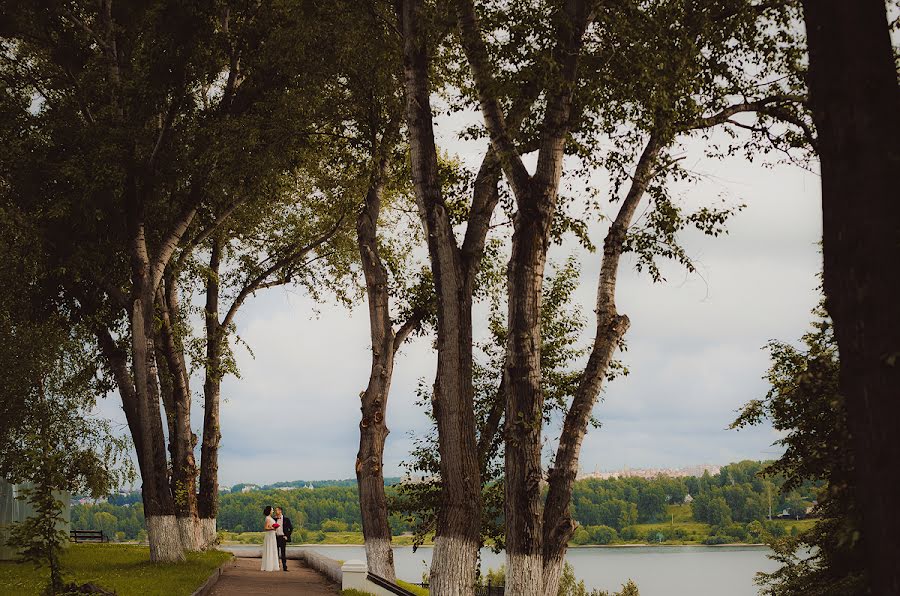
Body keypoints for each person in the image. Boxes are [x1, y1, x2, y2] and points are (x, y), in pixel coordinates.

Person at [273, 507, 294, 571]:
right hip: (275, 537)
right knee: (276, 552)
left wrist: (287, 536)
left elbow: (291, 528)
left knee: (283, 552)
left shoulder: (286, 519)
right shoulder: (274, 519)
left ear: (280, 511)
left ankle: (284, 566)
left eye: (276, 510)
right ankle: (277, 566)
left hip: (283, 537)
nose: (275, 511)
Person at [261, 505, 279, 571]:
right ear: (269, 511)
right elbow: (266, 528)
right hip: (269, 535)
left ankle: (272, 565)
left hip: (272, 535)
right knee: (270, 549)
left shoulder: (269, 518)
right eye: (272, 510)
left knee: (273, 549)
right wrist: (273, 528)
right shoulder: (268, 518)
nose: (273, 511)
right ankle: (269, 566)